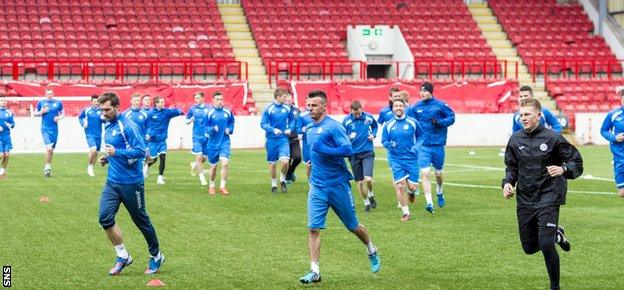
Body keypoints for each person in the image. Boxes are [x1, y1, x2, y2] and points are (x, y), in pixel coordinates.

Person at [299, 90, 380, 284]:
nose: (310, 108)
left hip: (338, 186)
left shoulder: (334, 127)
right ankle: (314, 271)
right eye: (308, 105)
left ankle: (371, 249)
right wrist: (309, 167)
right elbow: (310, 154)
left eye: (314, 105)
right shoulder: (309, 129)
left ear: (324, 106)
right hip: (318, 187)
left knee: (353, 226)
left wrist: (324, 149)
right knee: (313, 229)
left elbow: (347, 150)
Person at [502, 98, 582, 290]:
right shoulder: (515, 139)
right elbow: (511, 167)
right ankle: (557, 234)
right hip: (525, 198)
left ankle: (555, 287)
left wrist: (563, 169)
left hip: (549, 195)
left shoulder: (553, 138)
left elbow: (576, 162)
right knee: (529, 248)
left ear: (539, 115)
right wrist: (507, 183)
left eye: (527, 114)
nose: (523, 118)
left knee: (545, 245)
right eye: (521, 115)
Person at [97, 92, 164, 276]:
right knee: (105, 217)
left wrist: (115, 153)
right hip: (113, 182)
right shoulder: (109, 124)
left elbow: (140, 151)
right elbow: (118, 150)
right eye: (102, 109)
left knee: (141, 221)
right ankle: (122, 256)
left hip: (131, 183)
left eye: (107, 109)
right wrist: (108, 158)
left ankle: (156, 255)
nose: (104, 113)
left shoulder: (127, 125)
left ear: (117, 107)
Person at [408, 82, 455, 213]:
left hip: (438, 145)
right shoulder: (416, 107)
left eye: (425, 91)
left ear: (430, 92)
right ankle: (429, 203)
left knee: (438, 174)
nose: (422, 94)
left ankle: (439, 191)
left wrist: (440, 122)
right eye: (420, 91)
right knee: (425, 173)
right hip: (423, 146)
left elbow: (452, 118)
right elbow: (411, 123)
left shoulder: (440, 105)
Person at [381, 99, 423, 221]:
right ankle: (406, 213)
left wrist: (416, 147)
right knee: (399, 186)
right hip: (396, 159)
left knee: (412, 187)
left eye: (400, 106)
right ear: (393, 108)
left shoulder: (413, 122)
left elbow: (421, 136)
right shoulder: (388, 124)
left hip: (411, 159)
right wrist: (389, 145)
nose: (398, 108)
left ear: (404, 107)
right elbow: (384, 141)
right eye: (396, 106)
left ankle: (411, 193)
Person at [342, 100, 378, 212]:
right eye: (354, 113)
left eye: (358, 112)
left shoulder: (369, 117)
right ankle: (366, 202)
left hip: (367, 151)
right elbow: (341, 135)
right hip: (353, 154)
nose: (357, 115)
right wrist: (348, 137)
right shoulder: (346, 121)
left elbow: (375, 127)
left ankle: (371, 194)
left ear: (361, 109)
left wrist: (373, 135)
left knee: (368, 179)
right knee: (360, 182)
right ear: (351, 111)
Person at [260, 88, 296, 193]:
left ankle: (282, 180)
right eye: (284, 97)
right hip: (271, 140)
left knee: (285, 162)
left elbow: (293, 120)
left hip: (283, 139)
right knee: (272, 164)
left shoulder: (287, 108)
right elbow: (263, 124)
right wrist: (273, 129)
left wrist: (290, 128)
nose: (286, 98)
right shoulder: (268, 109)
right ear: (278, 97)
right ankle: (274, 184)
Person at [145, 96, 184, 184]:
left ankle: (160, 177)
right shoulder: (150, 113)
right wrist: (148, 134)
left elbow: (176, 111)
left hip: (162, 141)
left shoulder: (166, 112)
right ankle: (146, 166)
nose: (163, 103)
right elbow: (146, 125)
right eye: (161, 102)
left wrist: (180, 111)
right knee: (153, 160)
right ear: (156, 103)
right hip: (153, 141)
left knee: (163, 158)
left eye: (163, 102)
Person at [204, 92, 235, 195]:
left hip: (224, 142)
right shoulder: (209, 113)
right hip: (212, 144)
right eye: (217, 99)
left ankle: (222, 186)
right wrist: (212, 129)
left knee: (225, 163)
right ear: (213, 100)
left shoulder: (228, 112)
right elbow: (204, 127)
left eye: (221, 99)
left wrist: (230, 129)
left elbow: (232, 123)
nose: (219, 101)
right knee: (213, 167)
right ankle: (212, 186)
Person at [33, 88, 64, 177]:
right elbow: (35, 113)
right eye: (48, 94)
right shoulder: (41, 103)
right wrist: (42, 112)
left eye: (51, 93)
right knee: (49, 148)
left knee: (51, 150)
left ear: (53, 94)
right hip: (45, 128)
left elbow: (63, 113)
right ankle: (47, 168)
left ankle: (48, 166)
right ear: (45, 94)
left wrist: (59, 118)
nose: (49, 95)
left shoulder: (58, 103)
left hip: (54, 129)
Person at [600, 89, 624, 197]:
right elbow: (603, 130)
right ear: (621, 100)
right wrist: (615, 138)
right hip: (620, 157)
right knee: (622, 193)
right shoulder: (614, 114)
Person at [186, 91, 211, 186]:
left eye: (198, 98)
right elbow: (186, 121)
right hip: (197, 136)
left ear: (203, 98)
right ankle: (202, 179)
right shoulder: (192, 109)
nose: (196, 100)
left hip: (207, 136)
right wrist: (190, 120)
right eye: (195, 98)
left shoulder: (209, 108)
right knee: (199, 157)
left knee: (204, 158)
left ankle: (194, 164)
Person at [78, 95, 104, 177]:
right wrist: (83, 124)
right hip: (89, 133)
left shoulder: (102, 110)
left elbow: (104, 121)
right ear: (91, 102)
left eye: (97, 101)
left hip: (98, 134)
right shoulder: (87, 110)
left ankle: (92, 166)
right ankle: (89, 166)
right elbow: (80, 117)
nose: (96, 103)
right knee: (93, 150)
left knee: (96, 152)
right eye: (94, 101)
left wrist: (103, 118)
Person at [285, 93, 302, 184]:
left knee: (298, 158)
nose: (288, 101)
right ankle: (287, 178)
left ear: (292, 99)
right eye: (286, 99)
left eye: (289, 99)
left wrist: (300, 132)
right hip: (284, 139)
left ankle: (291, 170)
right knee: (287, 159)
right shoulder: (282, 110)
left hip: (295, 138)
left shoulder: (297, 110)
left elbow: (300, 122)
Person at [296, 98, 314, 179]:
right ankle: (311, 184)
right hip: (307, 144)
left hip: (319, 143)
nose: (309, 104)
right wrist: (302, 130)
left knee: (320, 165)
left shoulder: (319, 114)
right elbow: (298, 129)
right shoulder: (302, 116)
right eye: (307, 102)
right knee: (309, 165)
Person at [0, 95, 15, 177]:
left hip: (6, 137)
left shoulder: (9, 113)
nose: (3, 102)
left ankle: (2, 171)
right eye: (2, 100)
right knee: (1, 154)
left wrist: (10, 125)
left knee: (7, 155)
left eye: (4, 100)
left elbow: (13, 125)